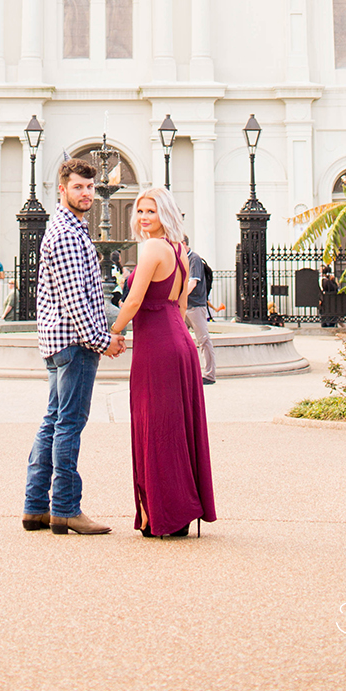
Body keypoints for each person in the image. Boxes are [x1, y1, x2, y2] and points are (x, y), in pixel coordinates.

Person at [107, 188, 216, 540]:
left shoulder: (153, 248)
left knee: (157, 430)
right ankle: (178, 510)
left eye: (150, 211)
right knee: (178, 429)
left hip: (158, 347)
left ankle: (163, 514)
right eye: (139, 210)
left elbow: (134, 298)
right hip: (178, 342)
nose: (142, 217)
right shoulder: (180, 250)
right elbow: (181, 305)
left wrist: (111, 332)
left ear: (163, 214)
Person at [23, 156, 118, 537]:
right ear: (61, 190)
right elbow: (75, 299)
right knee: (68, 425)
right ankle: (64, 508)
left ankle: (35, 508)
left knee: (53, 422)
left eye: (90, 187)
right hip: (74, 345)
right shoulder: (65, 232)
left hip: (62, 342)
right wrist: (102, 341)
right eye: (78, 187)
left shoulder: (73, 229)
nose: (86, 194)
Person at [182, 234, 216, 385]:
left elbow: (193, 282)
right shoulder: (180, 259)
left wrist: (178, 298)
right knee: (181, 340)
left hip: (195, 305)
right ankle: (187, 372)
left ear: (183, 243)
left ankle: (209, 374)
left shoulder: (193, 258)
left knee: (203, 339)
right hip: (184, 306)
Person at [319, 264, 340, 329]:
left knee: (329, 311)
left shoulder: (327, 280)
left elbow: (334, 288)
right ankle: (326, 322)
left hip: (329, 299)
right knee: (325, 311)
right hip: (326, 298)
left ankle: (331, 322)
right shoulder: (324, 280)